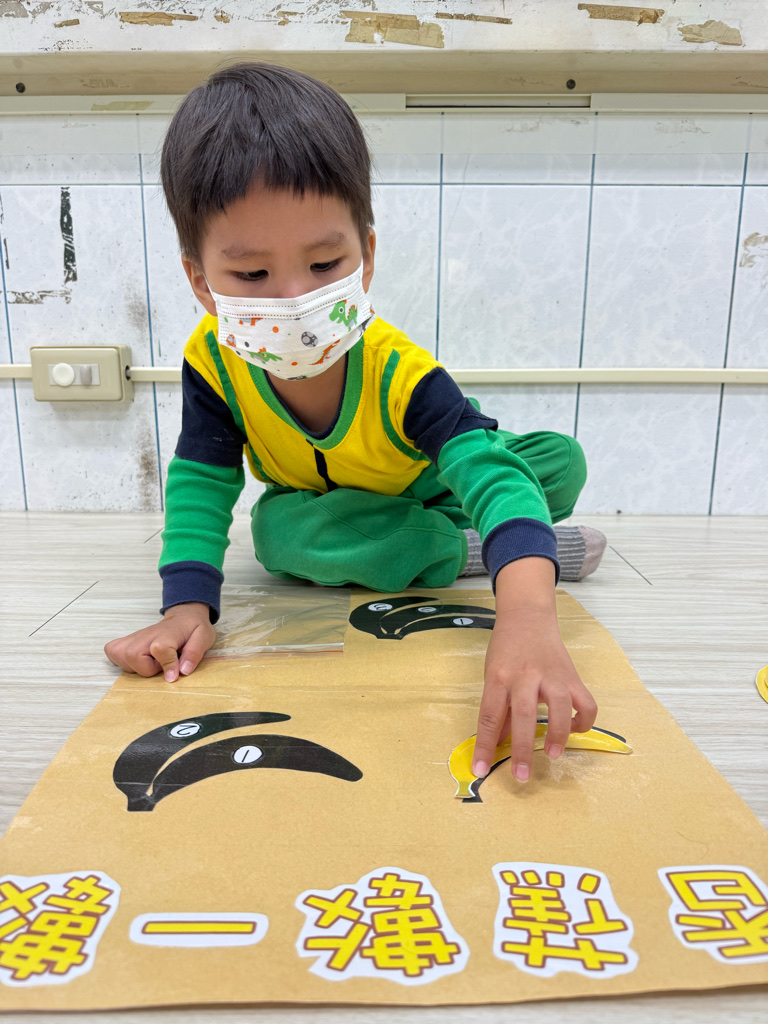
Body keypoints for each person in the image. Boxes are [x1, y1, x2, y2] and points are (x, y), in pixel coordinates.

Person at [105, 61, 606, 785]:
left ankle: (477, 539)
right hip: (323, 507)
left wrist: (528, 617)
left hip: (425, 480)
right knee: (279, 537)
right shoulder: (212, 361)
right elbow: (202, 479)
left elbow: (485, 467)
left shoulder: (398, 368)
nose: (294, 299)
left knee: (554, 461)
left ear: (365, 257)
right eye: (251, 276)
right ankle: (466, 548)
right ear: (200, 281)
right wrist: (187, 605)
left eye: (324, 263)